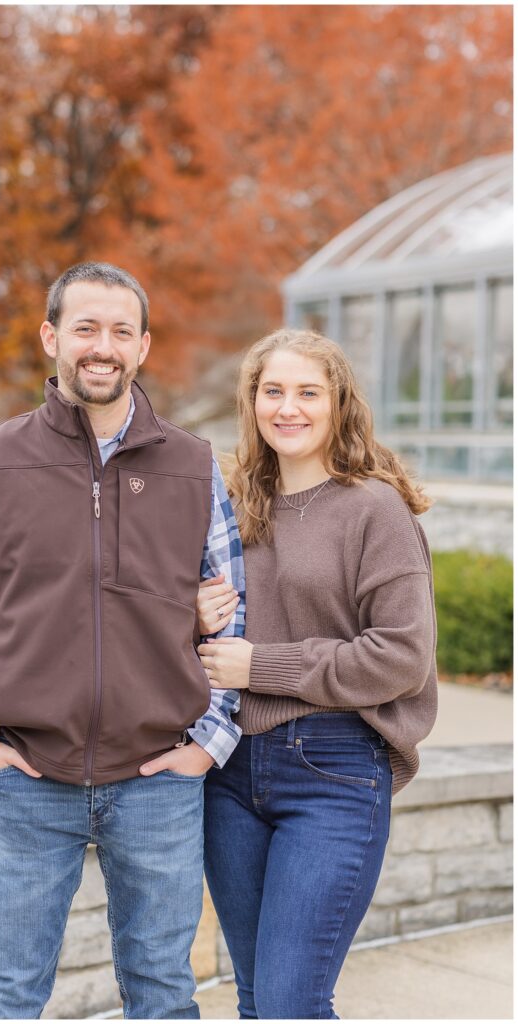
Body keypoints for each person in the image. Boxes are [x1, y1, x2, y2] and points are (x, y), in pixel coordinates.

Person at [0, 261, 246, 1020]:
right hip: (26, 780)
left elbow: (237, 612)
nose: (104, 346)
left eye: (121, 331)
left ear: (144, 346)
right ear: (52, 337)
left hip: (157, 782)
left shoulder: (193, 466)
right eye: (86, 328)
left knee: (163, 995)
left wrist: (208, 742)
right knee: (6, 992)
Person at [195, 328, 437, 1020]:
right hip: (230, 773)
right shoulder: (232, 504)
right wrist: (193, 614)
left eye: (308, 392)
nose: (288, 408)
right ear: (253, 402)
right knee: (255, 999)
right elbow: (188, 637)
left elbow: (401, 655)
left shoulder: (373, 509)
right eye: (273, 391)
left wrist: (261, 665)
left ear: (339, 405)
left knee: (289, 1003)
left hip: (333, 769)